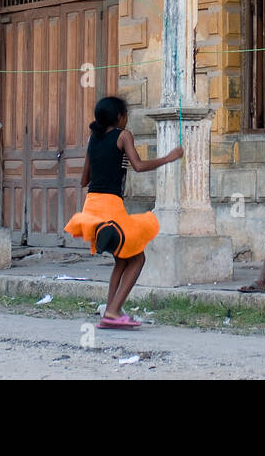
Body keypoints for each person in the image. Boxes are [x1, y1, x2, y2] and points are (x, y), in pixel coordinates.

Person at [63, 96, 183, 329]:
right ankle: (113, 311)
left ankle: (110, 311)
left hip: (91, 207)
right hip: (110, 207)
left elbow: (84, 180)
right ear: (119, 117)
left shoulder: (93, 139)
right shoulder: (123, 135)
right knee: (138, 258)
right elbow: (138, 166)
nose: (127, 119)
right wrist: (169, 158)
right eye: (126, 115)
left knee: (122, 260)